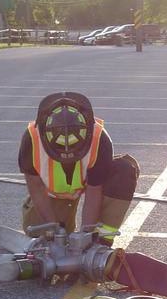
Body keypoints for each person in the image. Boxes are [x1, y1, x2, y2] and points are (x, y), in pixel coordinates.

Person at [18, 92, 139, 246]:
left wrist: (86, 236)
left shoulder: (99, 139)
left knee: (123, 171)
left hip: (86, 185)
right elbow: (36, 189)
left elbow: (94, 190)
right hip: (52, 196)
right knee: (43, 240)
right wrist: (54, 230)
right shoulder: (31, 140)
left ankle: (103, 240)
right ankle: (55, 227)